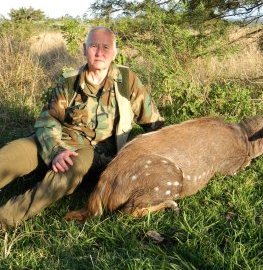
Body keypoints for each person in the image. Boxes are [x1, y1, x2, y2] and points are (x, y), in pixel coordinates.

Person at [0, 26, 164, 229]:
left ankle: (5, 218)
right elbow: (48, 120)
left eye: (106, 47)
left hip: (92, 153)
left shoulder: (126, 81)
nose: (99, 52)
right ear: (84, 49)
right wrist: (55, 150)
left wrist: (168, 154)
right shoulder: (69, 82)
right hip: (58, 141)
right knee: (11, 153)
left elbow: (154, 123)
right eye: (94, 46)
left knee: (69, 168)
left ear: (114, 53)